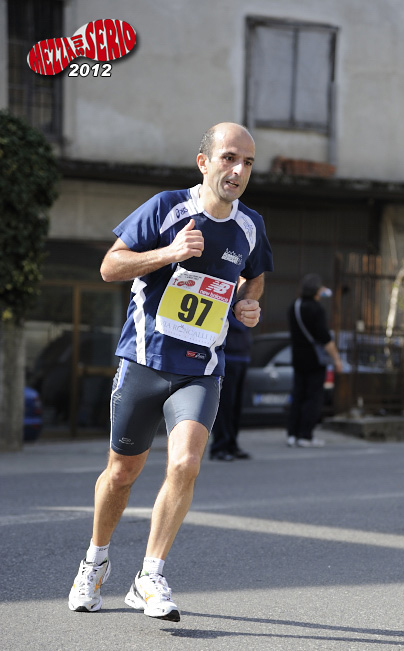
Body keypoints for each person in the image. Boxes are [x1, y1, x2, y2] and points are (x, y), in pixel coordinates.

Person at [68, 122, 273, 621]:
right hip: (144, 360)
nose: (238, 171)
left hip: (201, 367)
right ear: (203, 162)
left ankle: (150, 575)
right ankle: (94, 561)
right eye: (228, 158)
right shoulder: (167, 207)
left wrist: (248, 305)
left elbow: (255, 279)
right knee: (122, 472)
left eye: (247, 162)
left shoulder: (250, 226)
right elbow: (110, 267)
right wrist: (171, 253)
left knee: (185, 464)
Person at [287, 273, 343, 447]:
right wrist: (337, 359)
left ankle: (292, 434)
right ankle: (305, 435)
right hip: (314, 360)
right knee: (313, 398)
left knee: (298, 395)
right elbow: (325, 338)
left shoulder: (294, 306)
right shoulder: (317, 309)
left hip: (298, 358)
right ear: (317, 290)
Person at [209, 313, 252, 461]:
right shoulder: (228, 304)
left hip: (242, 358)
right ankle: (219, 447)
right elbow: (239, 323)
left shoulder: (246, 303)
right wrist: (243, 313)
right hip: (227, 359)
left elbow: (254, 319)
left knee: (236, 406)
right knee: (224, 406)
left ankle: (232, 444)